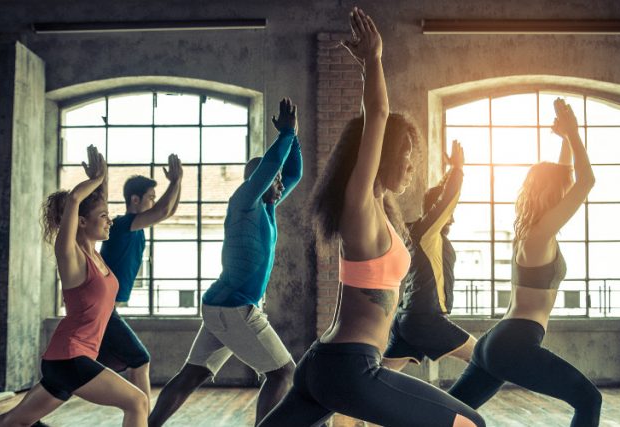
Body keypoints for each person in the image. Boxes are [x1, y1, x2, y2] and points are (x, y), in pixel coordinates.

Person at [258, 8, 483, 427]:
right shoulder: (359, 205)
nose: (412, 168)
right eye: (407, 157)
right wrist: (373, 61)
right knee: (472, 424)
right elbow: (377, 116)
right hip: (351, 367)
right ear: (381, 155)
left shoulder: (381, 211)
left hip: (322, 363)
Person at [447, 99, 602, 427]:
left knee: (447, 414)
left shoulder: (533, 232)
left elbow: (566, 174)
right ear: (555, 194)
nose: (568, 191)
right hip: (514, 343)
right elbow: (585, 182)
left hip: (497, 343)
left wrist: (563, 139)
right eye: (563, 188)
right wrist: (573, 134)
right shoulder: (539, 235)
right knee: (589, 399)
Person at [148, 98, 303, 426]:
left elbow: (293, 173)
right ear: (259, 181)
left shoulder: (267, 207)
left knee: (191, 374)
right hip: (236, 308)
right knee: (283, 373)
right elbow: (275, 168)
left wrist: (295, 136)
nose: (281, 185)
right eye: (273, 180)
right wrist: (285, 134)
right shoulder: (245, 201)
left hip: (222, 307)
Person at [0, 146, 148, 427]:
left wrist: (103, 177)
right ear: (81, 222)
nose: (109, 221)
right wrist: (94, 183)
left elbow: (95, 206)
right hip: (69, 357)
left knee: (15, 422)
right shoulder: (71, 255)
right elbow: (76, 200)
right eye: (103, 217)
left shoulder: (97, 254)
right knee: (137, 401)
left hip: (67, 358)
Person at [381, 140, 477, 371]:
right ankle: (453, 406)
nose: (452, 216)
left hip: (408, 318)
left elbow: (441, 198)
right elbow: (445, 199)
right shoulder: (425, 233)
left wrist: (448, 174)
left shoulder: (427, 235)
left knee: (379, 376)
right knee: (483, 356)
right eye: (449, 213)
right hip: (424, 319)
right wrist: (457, 170)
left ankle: (344, 407)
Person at [96, 153, 183, 406]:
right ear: (135, 200)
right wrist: (175, 181)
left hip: (107, 309)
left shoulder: (137, 228)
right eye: (150, 198)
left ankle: (28, 415)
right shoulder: (123, 225)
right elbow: (164, 209)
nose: (154, 203)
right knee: (140, 361)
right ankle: (142, 419)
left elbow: (167, 211)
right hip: (103, 310)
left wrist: (178, 183)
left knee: (79, 370)